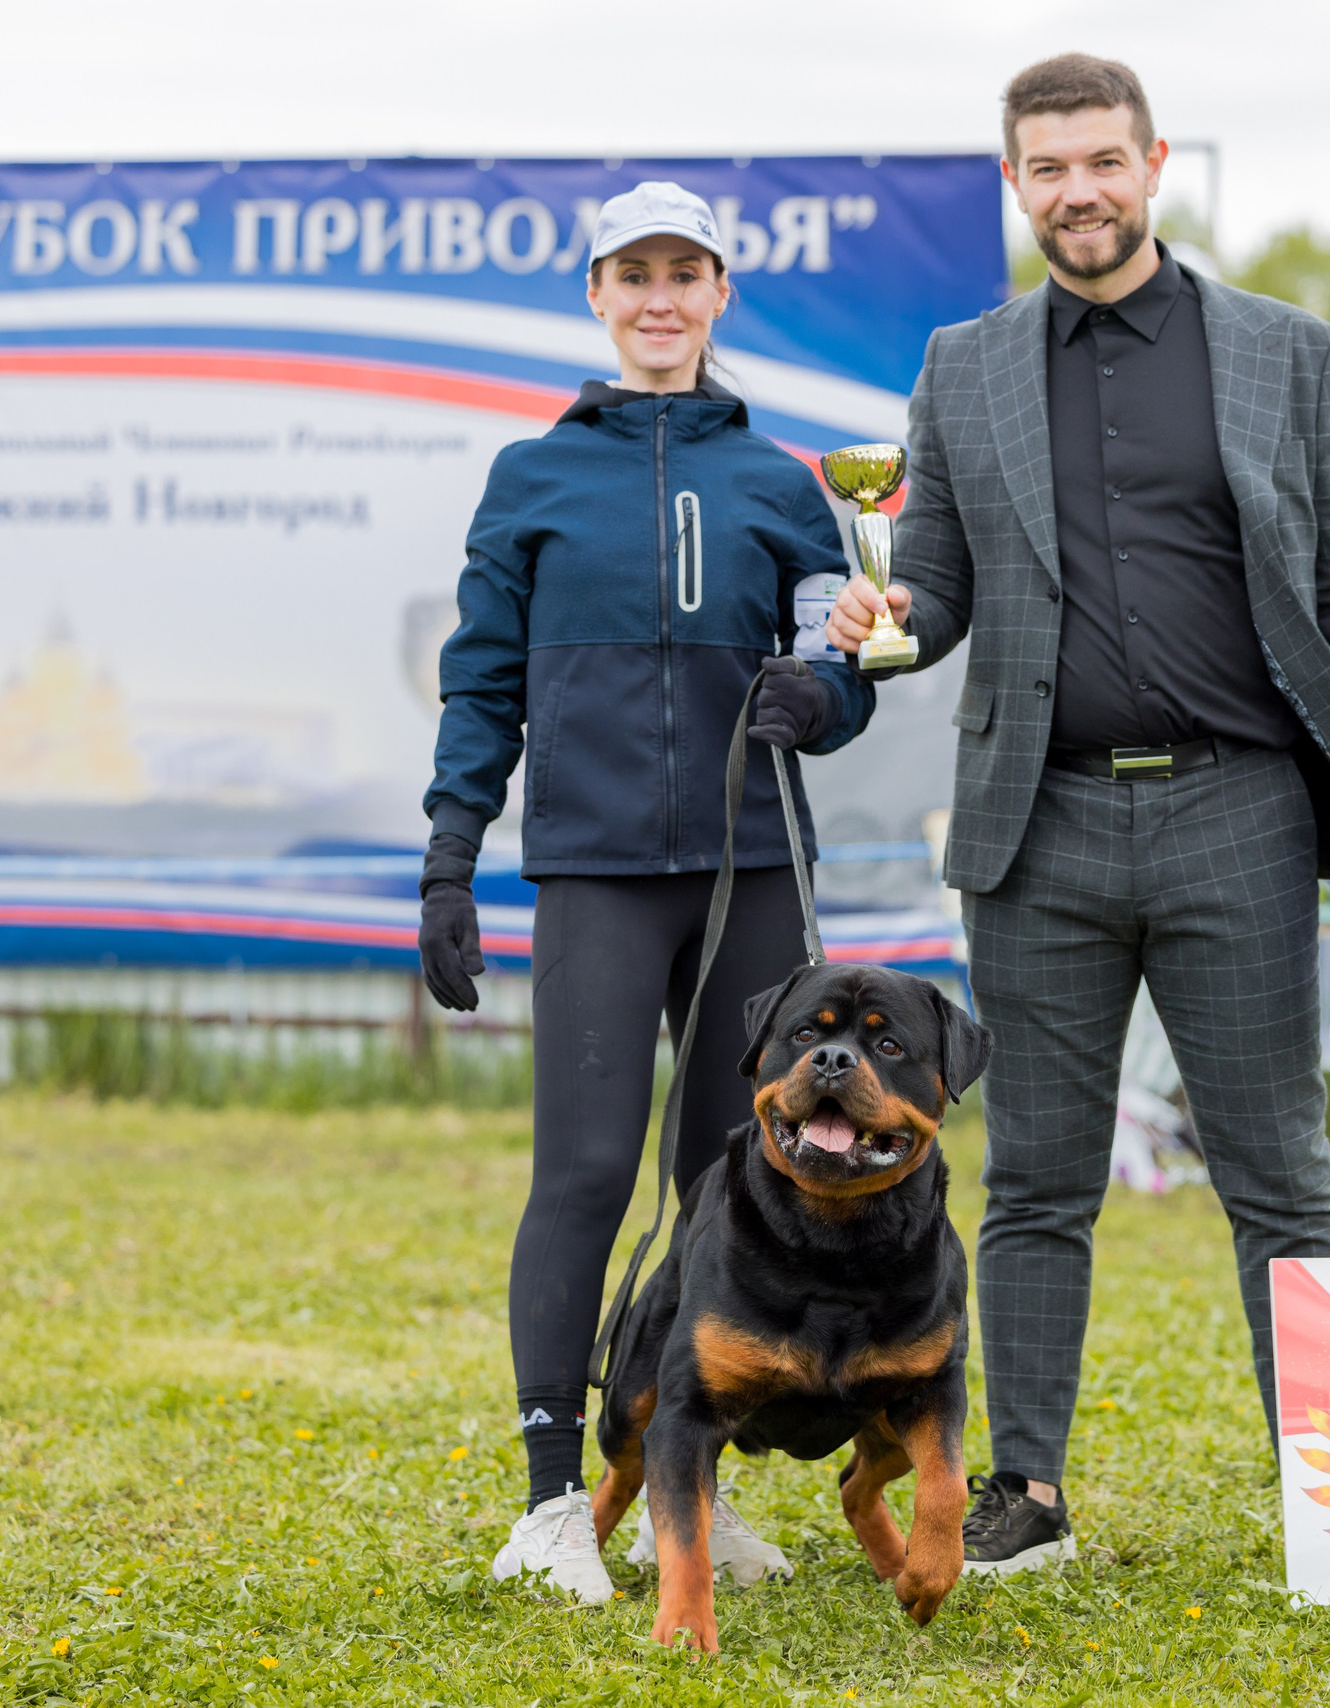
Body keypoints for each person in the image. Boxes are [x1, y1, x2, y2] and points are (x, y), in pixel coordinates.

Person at [829, 55, 1330, 1574]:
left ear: (1153, 163)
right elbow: (945, 589)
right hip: (1037, 830)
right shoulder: (961, 366)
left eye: (1103, 162)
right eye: (1049, 170)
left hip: (1241, 814)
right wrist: (888, 606)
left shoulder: (1285, 355)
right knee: (1038, 1179)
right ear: (1014, 185)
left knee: (1280, 1177)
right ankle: (1022, 1495)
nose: (1079, 192)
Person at [419, 180, 876, 1603]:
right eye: (634, 274)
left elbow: (843, 669)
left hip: (753, 875)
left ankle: (696, 1489)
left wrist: (827, 690)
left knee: (730, 1186)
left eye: (687, 272)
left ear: (722, 293)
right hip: (600, 874)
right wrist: (452, 849)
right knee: (584, 1175)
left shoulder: (785, 483)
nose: (661, 296)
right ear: (598, 296)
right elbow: (482, 679)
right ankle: (556, 1499)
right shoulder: (532, 477)